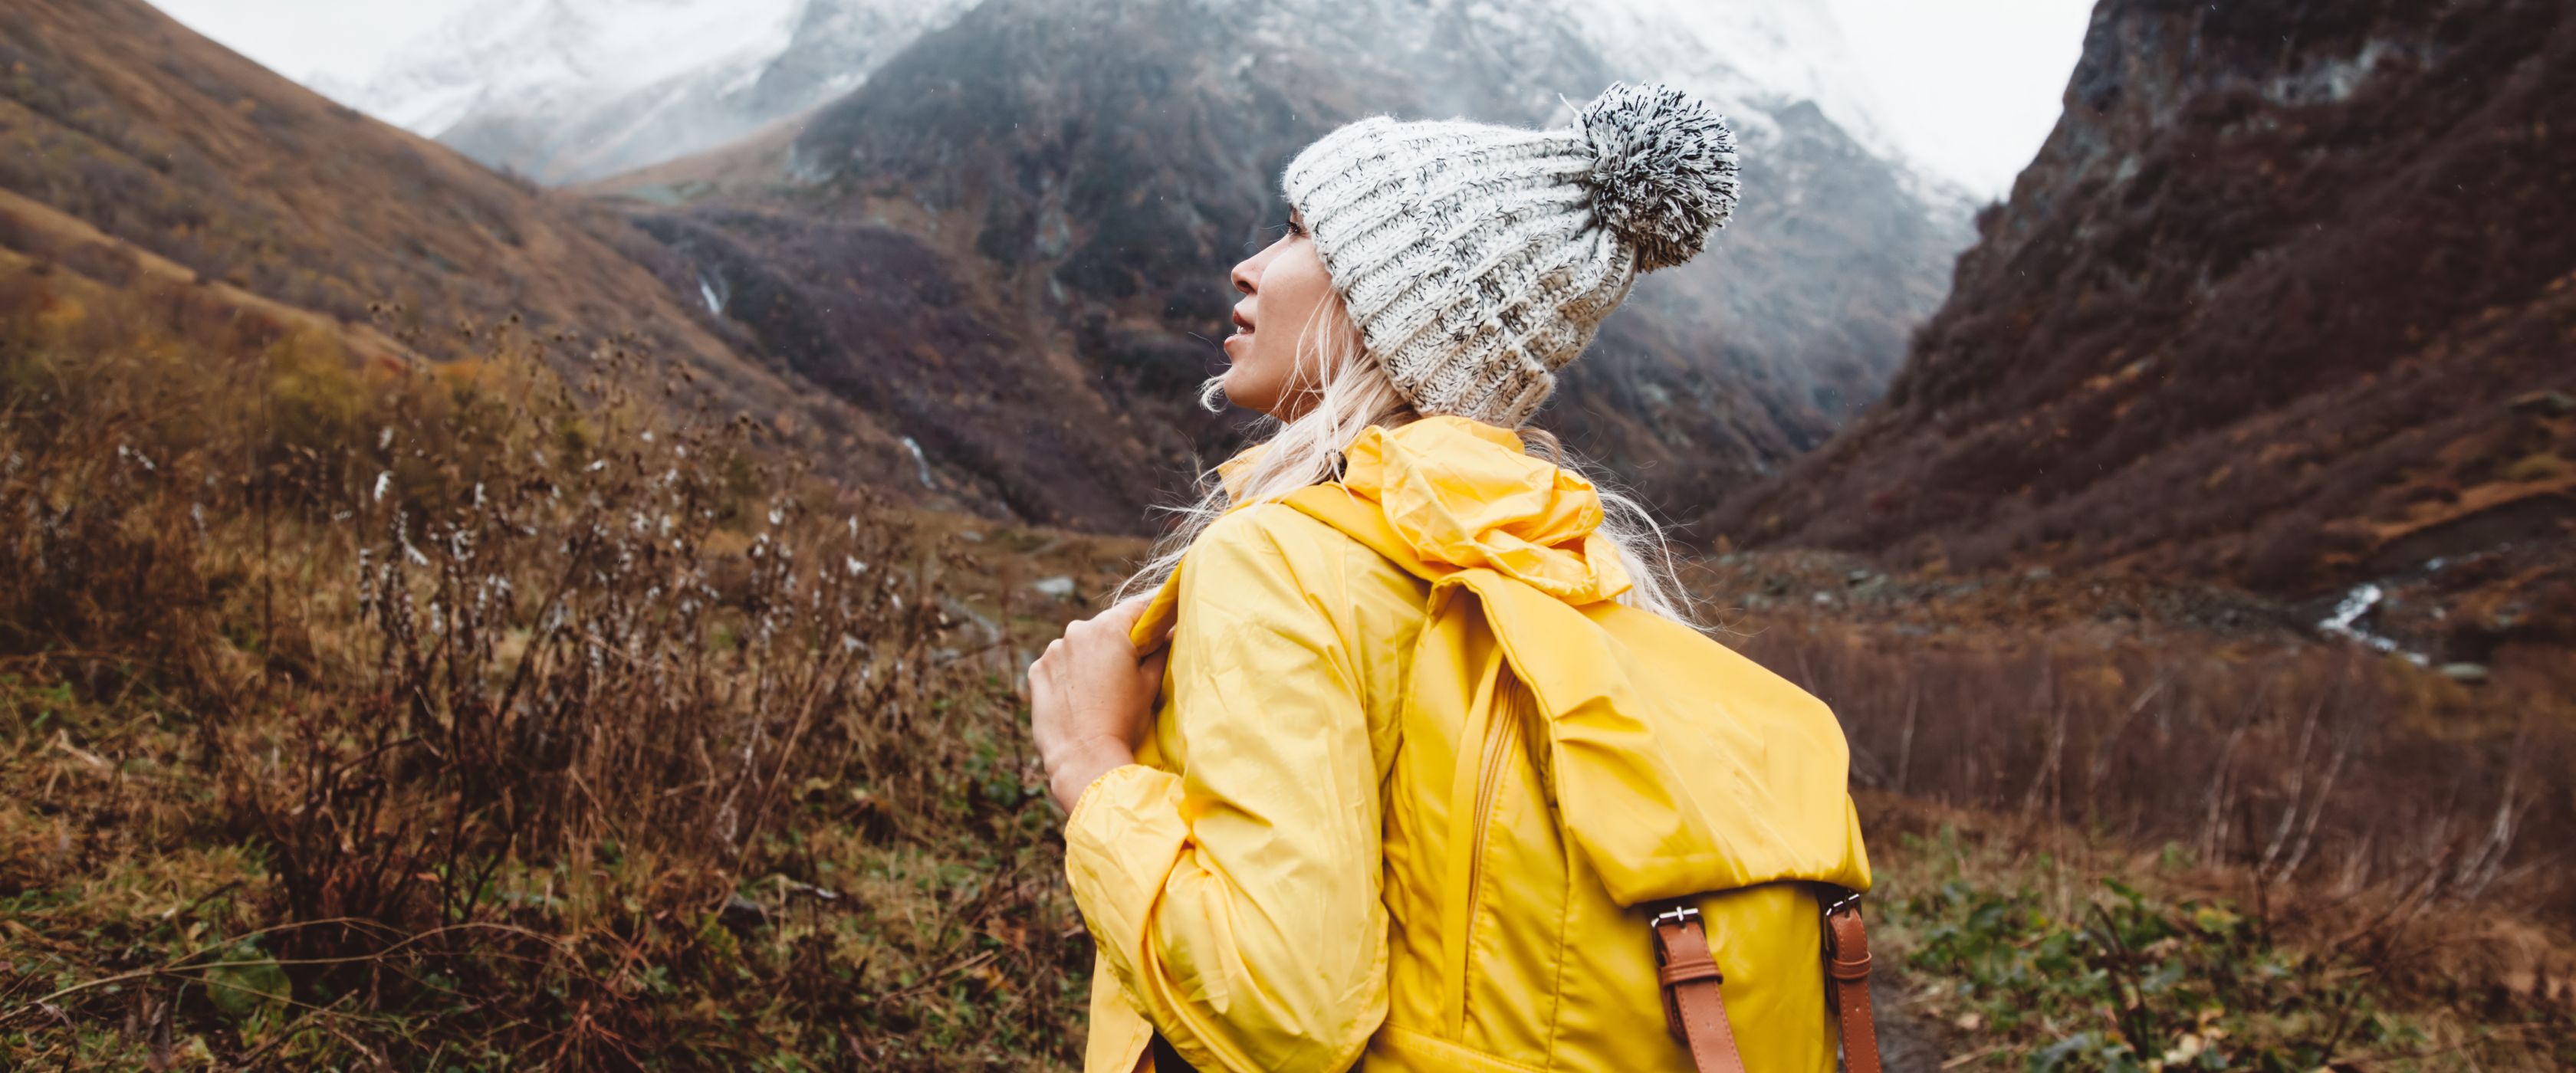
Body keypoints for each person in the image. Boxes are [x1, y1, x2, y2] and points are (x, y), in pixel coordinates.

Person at [1026, 83, 1872, 1073]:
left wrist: (1091, 764)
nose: (1248, 267)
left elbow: (1281, 1007)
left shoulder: (1279, 561)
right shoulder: (1553, 563)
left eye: (1300, 232)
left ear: (1391, 306)